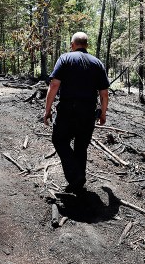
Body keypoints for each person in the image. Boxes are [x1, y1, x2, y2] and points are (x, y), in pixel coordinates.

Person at [44, 32, 109, 193]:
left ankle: (75, 176)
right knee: (81, 146)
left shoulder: (65, 59)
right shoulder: (97, 63)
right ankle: (78, 181)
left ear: (73, 45)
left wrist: (47, 110)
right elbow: (104, 93)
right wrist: (103, 114)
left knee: (59, 140)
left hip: (68, 109)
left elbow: (54, 85)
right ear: (86, 45)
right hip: (88, 112)